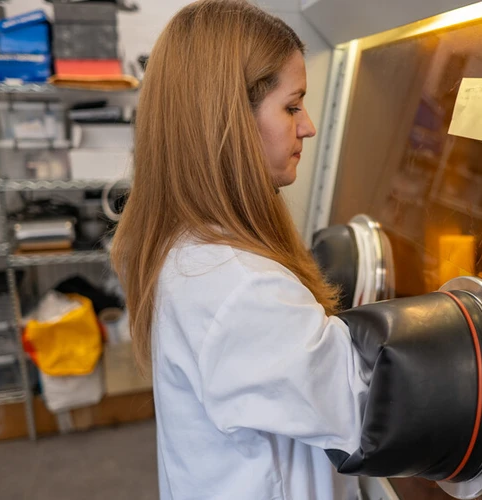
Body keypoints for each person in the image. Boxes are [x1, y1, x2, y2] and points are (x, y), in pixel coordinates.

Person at [110, 1, 368, 498]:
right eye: (292, 106)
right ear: (229, 121)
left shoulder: (187, 244)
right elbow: (361, 410)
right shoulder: (240, 287)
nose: (308, 126)